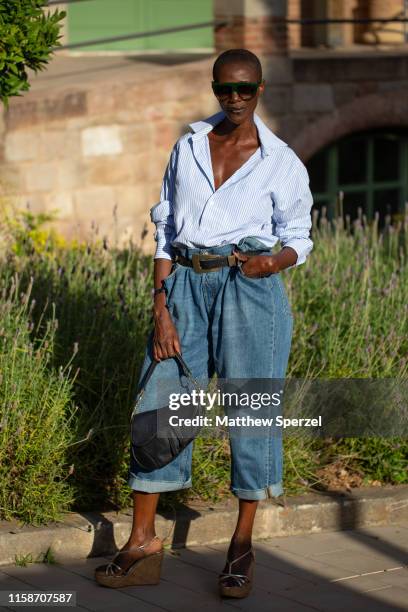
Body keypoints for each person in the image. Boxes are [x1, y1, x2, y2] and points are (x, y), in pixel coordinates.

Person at [95, 48, 313, 599]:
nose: (234, 98)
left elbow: (300, 237)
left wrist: (272, 262)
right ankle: (142, 540)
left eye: (245, 89)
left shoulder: (281, 161)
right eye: (225, 89)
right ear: (214, 87)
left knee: (251, 410)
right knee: (160, 405)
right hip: (186, 285)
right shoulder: (189, 145)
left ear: (260, 88)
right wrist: (160, 303)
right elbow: (166, 225)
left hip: (250, 289)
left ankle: (241, 545)